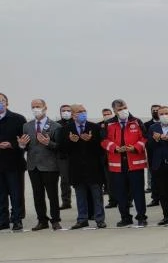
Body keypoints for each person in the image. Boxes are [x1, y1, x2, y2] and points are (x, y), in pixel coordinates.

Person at [103, 99, 148, 227]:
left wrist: (135, 147)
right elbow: (104, 140)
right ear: (114, 111)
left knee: (138, 192)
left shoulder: (137, 122)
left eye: (124, 107)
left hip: (135, 163)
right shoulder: (109, 124)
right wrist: (114, 148)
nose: (123, 110)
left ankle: (141, 217)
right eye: (120, 109)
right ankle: (125, 217)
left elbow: (144, 138)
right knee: (120, 193)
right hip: (117, 165)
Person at [61, 105, 107, 229]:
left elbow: (101, 150)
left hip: (94, 168)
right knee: (80, 196)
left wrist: (91, 140)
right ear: (73, 115)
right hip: (76, 169)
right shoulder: (66, 129)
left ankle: (99, 219)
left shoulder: (95, 127)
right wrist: (71, 141)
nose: (82, 113)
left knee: (97, 195)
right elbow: (62, 151)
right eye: (79, 112)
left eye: (84, 111)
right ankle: (82, 219)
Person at [20, 99, 63, 230]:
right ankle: (42, 220)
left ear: (45, 107)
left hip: (50, 166)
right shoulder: (27, 126)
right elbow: (27, 147)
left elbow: (59, 147)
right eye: (33, 107)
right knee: (38, 195)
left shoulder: (55, 126)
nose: (35, 109)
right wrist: (22, 145)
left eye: (38, 106)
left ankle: (55, 220)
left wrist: (48, 143)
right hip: (33, 166)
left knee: (52, 195)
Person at [0, 93, 28, 232]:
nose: (0, 103)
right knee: (1, 194)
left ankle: (17, 220)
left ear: (7, 103)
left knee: (16, 193)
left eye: (2, 101)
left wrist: (12, 144)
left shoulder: (18, 119)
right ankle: (3, 221)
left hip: (14, 163)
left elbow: (24, 140)